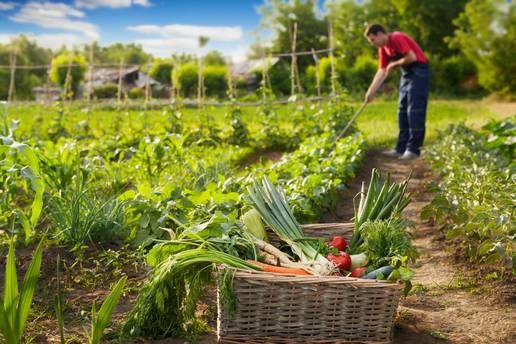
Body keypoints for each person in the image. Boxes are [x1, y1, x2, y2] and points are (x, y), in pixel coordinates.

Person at [364, 24, 429, 160]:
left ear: (381, 33)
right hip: (407, 74)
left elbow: (411, 57)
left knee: (414, 111)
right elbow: (382, 70)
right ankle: (400, 148)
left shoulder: (397, 38)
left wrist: (393, 64)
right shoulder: (383, 49)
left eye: (373, 39)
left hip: (419, 72)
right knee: (402, 110)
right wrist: (371, 92)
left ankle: (413, 150)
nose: (373, 43)